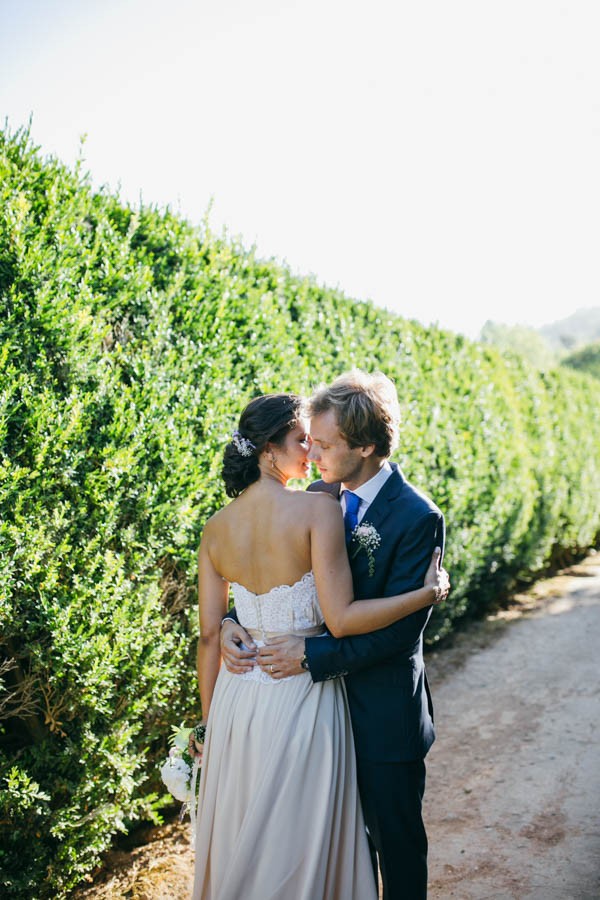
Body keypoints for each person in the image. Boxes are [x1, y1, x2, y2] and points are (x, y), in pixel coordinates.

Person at [193, 390, 449, 900]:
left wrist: (211, 715)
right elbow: (330, 613)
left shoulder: (415, 515)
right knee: (297, 839)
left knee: (350, 841)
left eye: (322, 443)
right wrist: (231, 626)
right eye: (305, 440)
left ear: (367, 447)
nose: (312, 453)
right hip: (302, 704)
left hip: (291, 704)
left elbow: (399, 638)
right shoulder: (318, 502)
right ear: (270, 449)